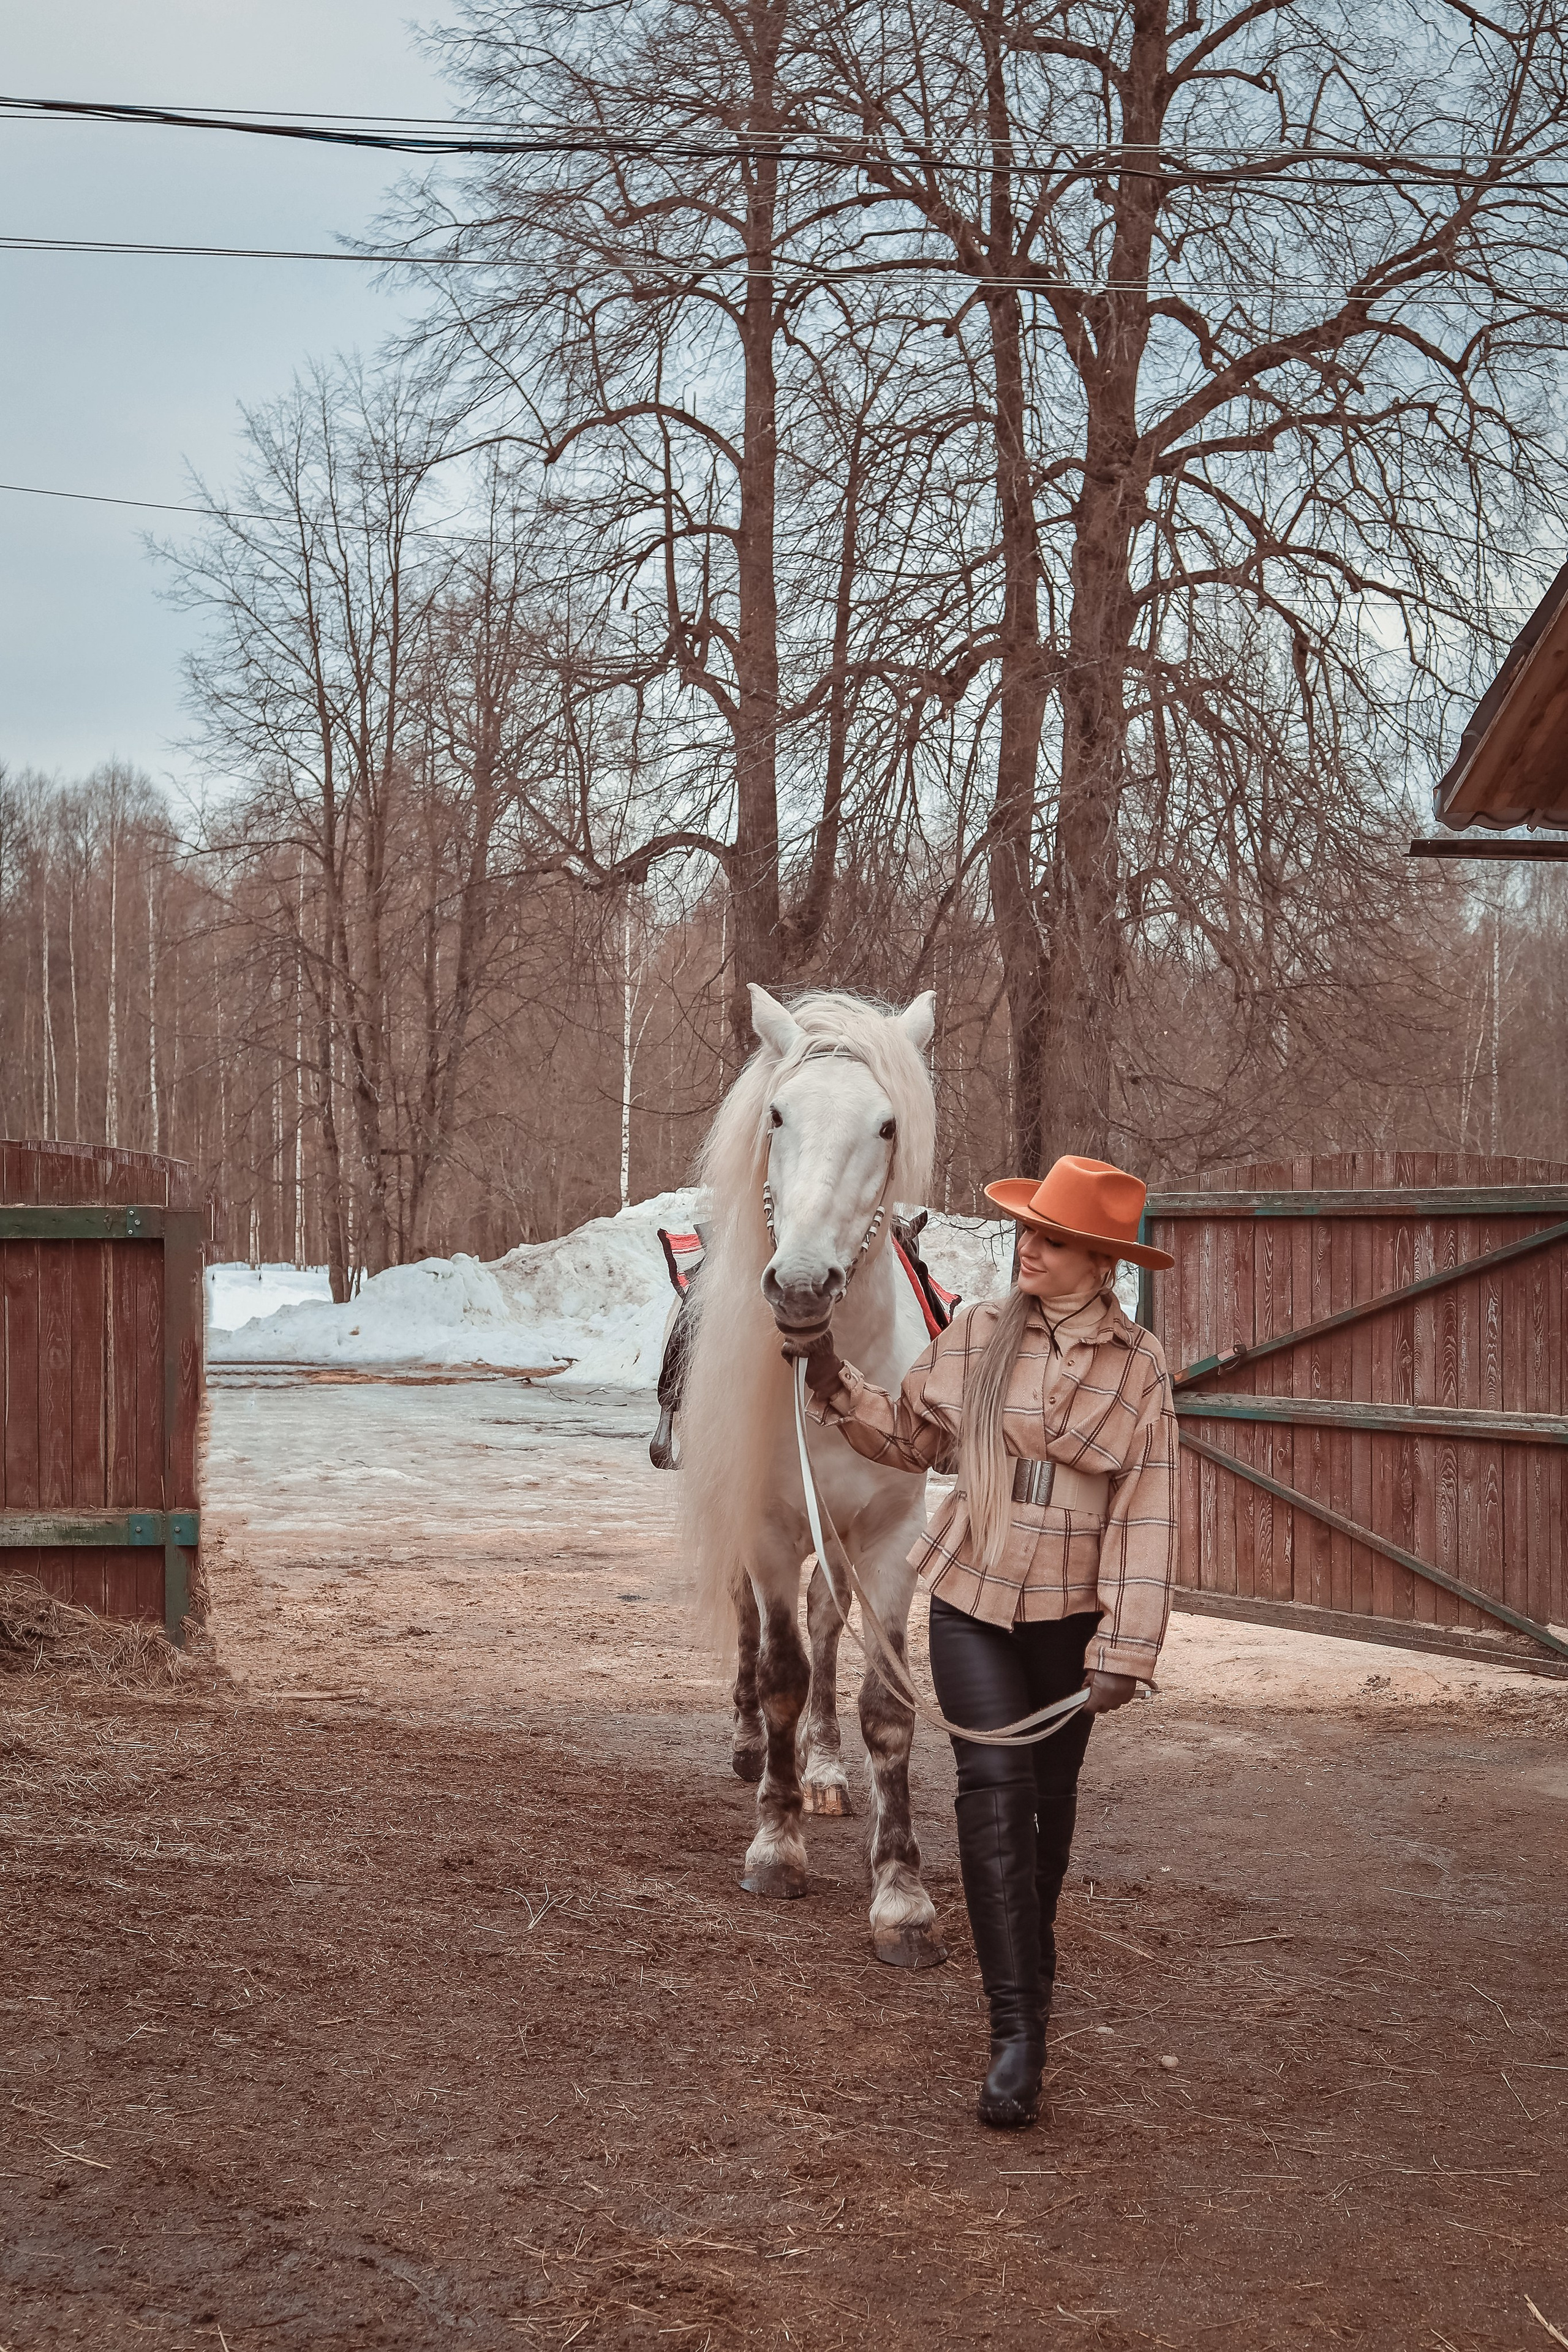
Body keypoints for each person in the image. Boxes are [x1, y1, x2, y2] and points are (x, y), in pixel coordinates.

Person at [792, 1155, 1178, 2130]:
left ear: (1099, 1261)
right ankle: (1016, 2033)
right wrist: (833, 1379)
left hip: (1072, 1613)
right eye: (1027, 1229)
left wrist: (1128, 1646)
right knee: (993, 1793)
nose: (1028, 1246)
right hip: (972, 1592)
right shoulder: (979, 1332)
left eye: (1051, 1237)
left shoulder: (1140, 1368)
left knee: (1047, 1807)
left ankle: (1030, 1968)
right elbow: (910, 1436)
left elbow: (1146, 1513)